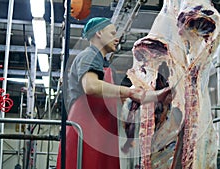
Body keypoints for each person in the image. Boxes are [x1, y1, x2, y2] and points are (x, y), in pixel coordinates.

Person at [56, 17, 173, 169]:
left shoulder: (104, 64)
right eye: (112, 33)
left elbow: (132, 96)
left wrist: (159, 95)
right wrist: (128, 92)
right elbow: (91, 86)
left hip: (101, 133)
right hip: (86, 131)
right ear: (98, 33)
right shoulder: (89, 56)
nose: (116, 38)